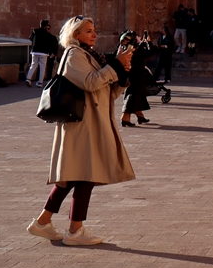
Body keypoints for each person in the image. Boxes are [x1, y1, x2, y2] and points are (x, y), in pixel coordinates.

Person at [26, 15, 135, 246]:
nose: (94, 34)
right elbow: (91, 83)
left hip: (91, 122)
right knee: (86, 174)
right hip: (82, 124)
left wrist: (122, 74)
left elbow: (105, 93)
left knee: (72, 176)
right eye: (88, 31)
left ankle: (43, 221)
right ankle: (75, 230)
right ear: (76, 35)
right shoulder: (74, 55)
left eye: (94, 30)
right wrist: (114, 65)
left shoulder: (90, 56)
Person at [120, 31, 152, 127]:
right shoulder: (135, 50)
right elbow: (151, 52)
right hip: (136, 75)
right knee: (133, 95)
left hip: (133, 75)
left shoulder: (128, 48)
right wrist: (148, 42)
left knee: (139, 95)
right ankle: (125, 118)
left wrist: (142, 43)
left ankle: (139, 115)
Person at [26, 19, 58, 87]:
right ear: (45, 26)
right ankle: (40, 82)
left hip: (34, 51)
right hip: (43, 52)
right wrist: (50, 53)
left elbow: (30, 38)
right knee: (42, 67)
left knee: (33, 65)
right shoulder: (47, 34)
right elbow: (49, 43)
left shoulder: (35, 31)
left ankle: (28, 79)